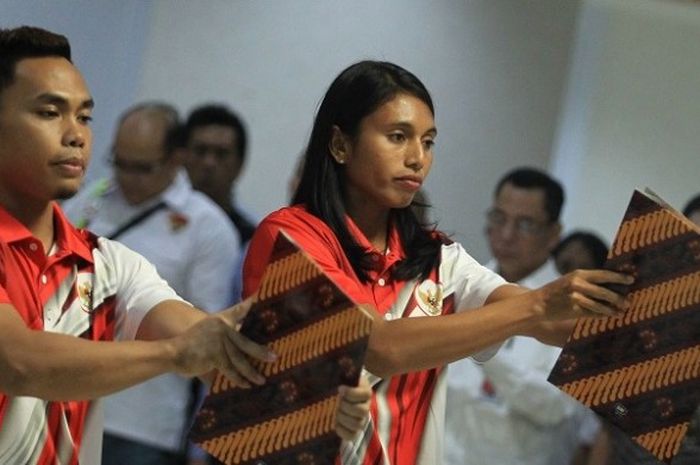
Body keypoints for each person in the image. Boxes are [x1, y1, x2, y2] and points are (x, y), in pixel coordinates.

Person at [0, 25, 371, 465]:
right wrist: (174, 353)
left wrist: (322, 390)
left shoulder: (107, 264)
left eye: (83, 116)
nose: (75, 135)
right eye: (49, 113)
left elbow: (209, 345)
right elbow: (18, 362)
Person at [241, 61, 632, 465]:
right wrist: (537, 305)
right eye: (398, 137)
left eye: (428, 142)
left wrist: (633, 319)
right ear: (340, 144)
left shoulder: (436, 255)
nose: (417, 158)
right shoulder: (289, 236)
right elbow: (377, 348)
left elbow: (548, 321)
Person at [62, 102, 240, 464]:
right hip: (63, 399)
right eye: (120, 162)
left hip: (140, 422)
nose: (128, 177)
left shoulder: (207, 226)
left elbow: (204, 328)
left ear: (176, 158)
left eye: (142, 168)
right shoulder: (91, 200)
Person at [444, 168, 603, 465]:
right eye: (499, 218)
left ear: (554, 234)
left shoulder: (573, 305)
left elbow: (555, 407)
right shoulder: (462, 285)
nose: (506, 235)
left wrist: (479, 340)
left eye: (525, 225)